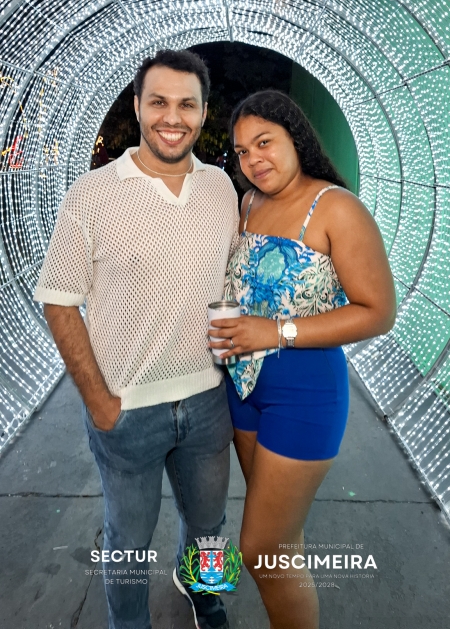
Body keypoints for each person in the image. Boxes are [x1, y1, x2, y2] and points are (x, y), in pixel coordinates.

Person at [33, 49, 239, 629]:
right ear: (138, 106)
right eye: (159, 102)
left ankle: (204, 595)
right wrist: (99, 401)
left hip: (207, 401)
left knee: (209, 526)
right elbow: (59, 300)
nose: (172, 117)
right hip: (126, 410)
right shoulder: (92, 194)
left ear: (203, 113)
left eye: (186, 104)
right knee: (127, 540)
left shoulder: (221, 188)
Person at [208, 89, 396, 629]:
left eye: (264, 142)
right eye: (242, 151)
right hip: (242, 387)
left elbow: (378, 311)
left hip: (305, 391)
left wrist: (275, 330)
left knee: (262, 548)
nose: (253, 159)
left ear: (296, 137)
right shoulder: (248, 203)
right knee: (283, 541)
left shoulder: (336, 207)